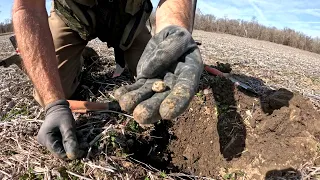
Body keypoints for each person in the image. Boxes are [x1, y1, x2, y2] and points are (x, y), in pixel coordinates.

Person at [12, 0, 203, 160]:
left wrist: (174, 31)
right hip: (74, 17)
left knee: (157, 68)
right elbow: (27, 8)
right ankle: (80, 55)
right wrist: (53, 104)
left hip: (127, 22)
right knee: (52, 89)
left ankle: (123, 47)